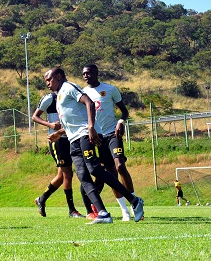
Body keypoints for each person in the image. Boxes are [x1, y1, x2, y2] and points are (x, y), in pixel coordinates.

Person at [44, 67, 144, 224]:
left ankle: (134, 200)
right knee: (83, 175)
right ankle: (103, 213)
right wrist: (60, 133)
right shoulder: (59, 96)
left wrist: (91, 127)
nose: (47, 83)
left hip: (85, 134)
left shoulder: (69, 87)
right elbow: (72, 120)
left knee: (94, 169)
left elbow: (89, 103)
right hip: (73, 139)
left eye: (49, 79)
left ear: (58, 76)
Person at [82, 64, 138, 221]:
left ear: (96, 73)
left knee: (120, 166)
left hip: (112, 133)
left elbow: (124, 110)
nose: (86, 76)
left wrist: (121, 121)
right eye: (84, 74)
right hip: (97, 137)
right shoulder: (82, 93)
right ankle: (124, 211)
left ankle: (135, 205)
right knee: (110, 173)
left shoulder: (110, 89)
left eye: (89, 73)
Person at [32, 92, 84, 218]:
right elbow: (35, 117)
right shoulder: (50, 98)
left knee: (61, 176)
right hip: (57, 141)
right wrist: (50, 125)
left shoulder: (69, 95)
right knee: (68, 174)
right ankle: (72, 210)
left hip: (71, 138)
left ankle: (42, 199)